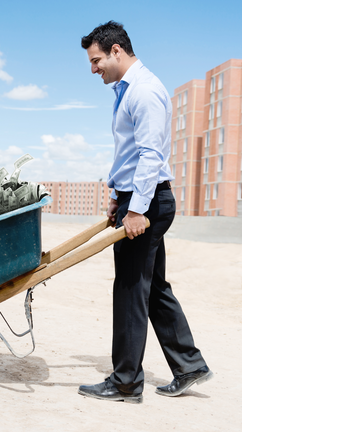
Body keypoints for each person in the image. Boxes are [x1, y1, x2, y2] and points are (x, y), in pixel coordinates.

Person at [77, 21, 212, 404]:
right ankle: (189, 365)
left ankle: (125, 382)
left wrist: (135, 210)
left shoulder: (145, 91)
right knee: (152, 290)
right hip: (139, 199)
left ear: (117, 50)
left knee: (131, 289)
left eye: (97, 60)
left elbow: (152, 155)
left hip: (148, 203)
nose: (94, 69)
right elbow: (132, 153)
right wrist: (120, 197)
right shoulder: (127, 90)